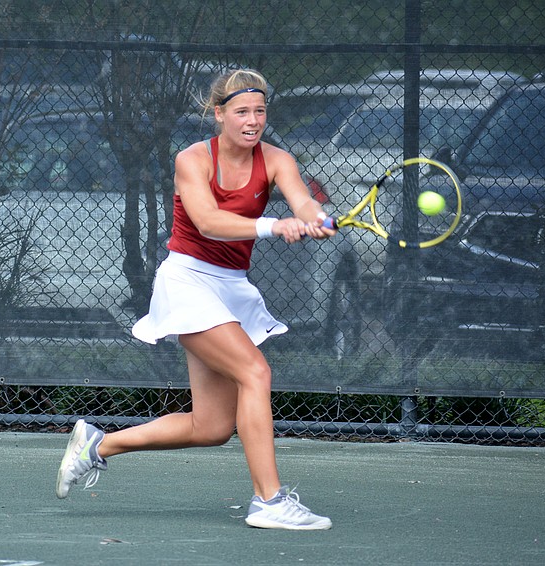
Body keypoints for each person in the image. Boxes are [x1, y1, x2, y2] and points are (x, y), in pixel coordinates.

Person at [55, 68, 336, 530]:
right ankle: (269, 501)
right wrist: (274, 226)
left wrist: (313, 217)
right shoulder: (192, 159)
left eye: (260, 111)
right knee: (255, 371)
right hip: (187, 281)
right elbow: (207, 221)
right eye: (242, 111)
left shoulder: (279, 160)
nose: (253, 120)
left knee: (211, 427)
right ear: (219, 113)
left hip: (231, 285)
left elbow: (302, 202)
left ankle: (96, 446)